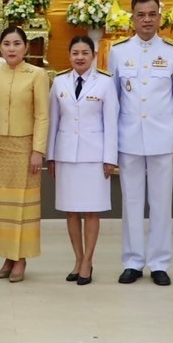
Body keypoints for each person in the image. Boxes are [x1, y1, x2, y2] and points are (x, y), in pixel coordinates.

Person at [107, 0, 173, 286]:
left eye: (152, 14)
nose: (146, 20)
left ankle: (159, 263)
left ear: (160, 18)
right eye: (141, 15)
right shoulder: (118, 51)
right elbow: (112, 100)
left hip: (162, 138)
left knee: (161, 203)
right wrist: (111, 143)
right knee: (130, 202)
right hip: (128, 137)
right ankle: (132, 261)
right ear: (132, 18)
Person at [0, 25, 50, 282]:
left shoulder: (37, 75)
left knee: (22, 205)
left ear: (26, 47)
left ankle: (20, 258)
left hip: (25, 148)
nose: (11, 49)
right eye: (7, 44)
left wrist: (38, 150)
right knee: (2, 205)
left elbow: (42, 115)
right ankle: (8, 256)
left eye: (16, 44)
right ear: (0, 47)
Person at [48, 35, 117, 285]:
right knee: (71, 211)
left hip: (94, 156)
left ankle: (88, 260)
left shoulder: (105, 83)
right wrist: (51, 156)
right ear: (69, 55)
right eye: (75, 53)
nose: (80, 57)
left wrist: (110, 157)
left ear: (94, 56)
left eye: (85, 53)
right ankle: (77, 259)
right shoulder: (59, 82)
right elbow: (53, 121)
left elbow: (111, 122)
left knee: (91, 210)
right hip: (66, 155)